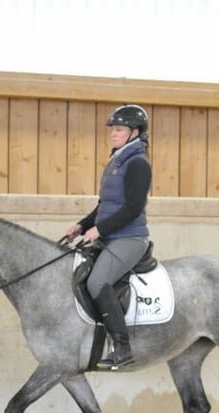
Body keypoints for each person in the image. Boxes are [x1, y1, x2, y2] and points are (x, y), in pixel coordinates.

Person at [64, 103, 152, 369]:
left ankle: (122, 348)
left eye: (119, 129)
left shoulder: (138, 163)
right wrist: (81, 225)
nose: (113, 134)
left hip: (130, 238)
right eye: (113, 130)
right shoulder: (117, 160)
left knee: (97, 282)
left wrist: (100, 230)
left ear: (134, 132)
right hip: (112, 235)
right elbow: (106, 205)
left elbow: (133, 207)